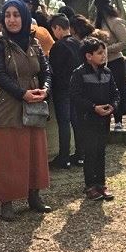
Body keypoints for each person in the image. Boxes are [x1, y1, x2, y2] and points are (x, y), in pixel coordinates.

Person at [0, 0, 52, 221]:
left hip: (33, 103)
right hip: (6, 105)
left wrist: (45, 89)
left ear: (24, 17)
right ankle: (7, 202)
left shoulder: (34, 42)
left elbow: (46, 71)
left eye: (16, 15)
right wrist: (21, 94)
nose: (12, 20)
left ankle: (34, 196)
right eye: (7, 15)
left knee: (35, 151)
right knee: (7, 154)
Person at [70, 37, 119, 201]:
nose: (103, 55)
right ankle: (90, 186)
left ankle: (101, 184)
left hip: (104, 120)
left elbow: (115, 93)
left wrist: (113, 106)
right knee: (90, 153)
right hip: (87, 120)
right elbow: (75, 97)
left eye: (104, 52)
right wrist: (93, 108)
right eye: (99, 53)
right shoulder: (79, 74)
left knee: (101, 152)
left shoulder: (107, 72)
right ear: (88, 56)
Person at [49, 13, 84, 169]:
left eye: (53, 30)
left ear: (57, 28)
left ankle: (64, 157)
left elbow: (53, 70)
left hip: (62, 89)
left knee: (64, 123)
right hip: (78, 89)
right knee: (77, 121)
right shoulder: (79, 44)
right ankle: (80, 155)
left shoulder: (58, 46)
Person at [93, 0, 126, 130]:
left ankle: (118, 120)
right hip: (101, 62)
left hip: (115, 61)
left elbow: (123, 42)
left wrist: (107, 49)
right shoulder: (97, 23)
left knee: (118, 90)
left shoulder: (115, 22)